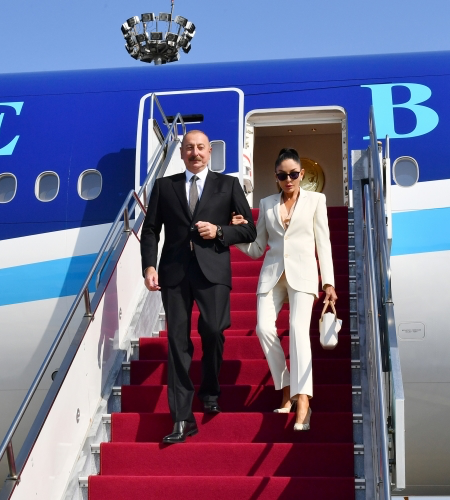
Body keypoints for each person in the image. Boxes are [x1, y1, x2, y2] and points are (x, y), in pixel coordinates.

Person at [140, 130, 256, 444]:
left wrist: (219, 231)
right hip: (174, 273)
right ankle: (182, 418)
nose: (195, 153)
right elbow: (150, 230)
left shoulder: (227, 185)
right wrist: (149, 266)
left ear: (210, 152)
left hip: (213, 271)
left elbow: (249, 231)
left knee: (214, 330)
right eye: (189, 148)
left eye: (201, 147)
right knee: (177, 342)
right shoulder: (165, 186)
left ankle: (210, 390)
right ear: (182, 153)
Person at [232, 148, 337, 431]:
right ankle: (287, 384)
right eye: (282, 176)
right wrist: (235, 234)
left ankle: (303, 400)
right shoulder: (267, 204)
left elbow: (323, 242)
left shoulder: (316, 200)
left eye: (293, 174)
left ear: (301, 174)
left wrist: (328, 282)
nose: (288, 180)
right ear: (276, 177)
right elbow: (257, 248)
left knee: (298, 330)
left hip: (303, 273)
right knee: (263, 328)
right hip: (272, 274)